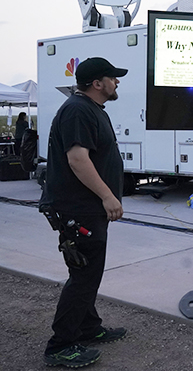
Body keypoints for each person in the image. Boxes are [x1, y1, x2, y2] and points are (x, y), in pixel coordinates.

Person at [41, 57, 128, 368]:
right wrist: (107, 196)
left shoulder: (89, 110)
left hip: (85, 209)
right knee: (84, 276)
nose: (117, 82)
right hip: (79, 209)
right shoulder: (78, 110)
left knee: (86, 272)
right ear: (96, 83)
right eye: (113, 78)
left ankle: (88, 327)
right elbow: (78, 160)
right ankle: (60, 345)